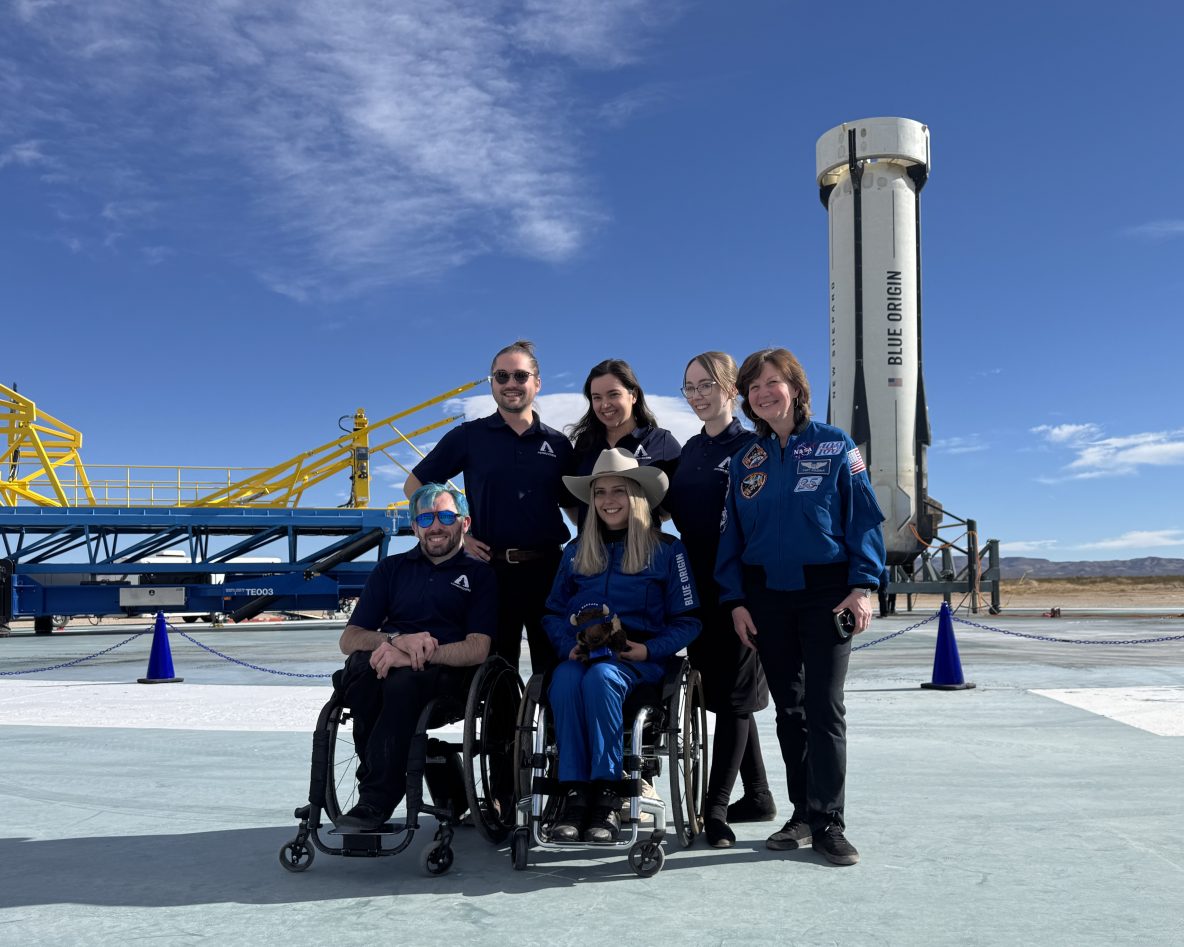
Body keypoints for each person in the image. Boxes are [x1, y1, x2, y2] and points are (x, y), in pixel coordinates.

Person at [716, 348, 886, 866]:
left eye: (773, 382)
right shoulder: (746, 460)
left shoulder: (835, 446)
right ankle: (803, 814)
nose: (763, 393)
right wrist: (736, 600)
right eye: (753, 387)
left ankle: (830, 821)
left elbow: (864, 518)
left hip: (826, 592)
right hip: (767, 596)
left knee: (823, 707)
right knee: (789, 711)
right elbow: (732, 536)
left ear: (795, 387)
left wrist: (863, 585)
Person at [543, 448, 700, 843]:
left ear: (637, 496)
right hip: (583, 654)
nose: (608, 501)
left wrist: (650, 650)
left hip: (639, 660)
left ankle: (608, 792)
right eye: (599, 493)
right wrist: (567, 646)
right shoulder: (576, 551)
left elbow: (689, 620)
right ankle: (574, 793)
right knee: (564, 679)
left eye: (618, 491)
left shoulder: (668, 550)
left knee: (602, 678)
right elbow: (553, 612)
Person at [333, 483, 496, 832]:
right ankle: (378, 785)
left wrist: (419, 655)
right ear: (414, 527)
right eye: (425, 518)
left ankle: (376, 799)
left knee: (402, 682)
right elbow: (349, 639)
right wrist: (397, 641)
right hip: (385, 663)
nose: (435, 526)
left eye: (446, 517)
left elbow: (479, 647)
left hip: (447, 674)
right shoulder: (390, 570)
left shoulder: (480, 575)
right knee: (362, 673)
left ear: (464, 523)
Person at [406, 340, 574, 675]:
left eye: (520, 375)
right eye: (502, 376)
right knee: (496, 675)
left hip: (549, 572)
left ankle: (550, 713)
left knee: (555, 673)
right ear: (492, 383)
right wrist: (460, 538)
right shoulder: (469, 436)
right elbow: (415, 485)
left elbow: (573, 506)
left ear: (537, 383)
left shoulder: (557, 443)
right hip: (491, 572)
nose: (511, 383)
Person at [664, 351, 774, 849]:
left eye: (706, 384)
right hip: (697, 587)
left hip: (741, 589)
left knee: (734, 698)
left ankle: (714, 809)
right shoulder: (690, 450)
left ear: (731, 389)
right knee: (724, 694)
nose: (697, 395)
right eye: (689, 387)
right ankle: (759, 795)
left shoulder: (753, 448)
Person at [566, 359, 681, 527]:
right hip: (589, 544)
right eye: (597, 397)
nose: (605, 404)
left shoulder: (660, 441)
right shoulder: (585, 444)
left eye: (613, 394)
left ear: (633, 395)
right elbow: (573, 504)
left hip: (644, 543)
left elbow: (672, 506)